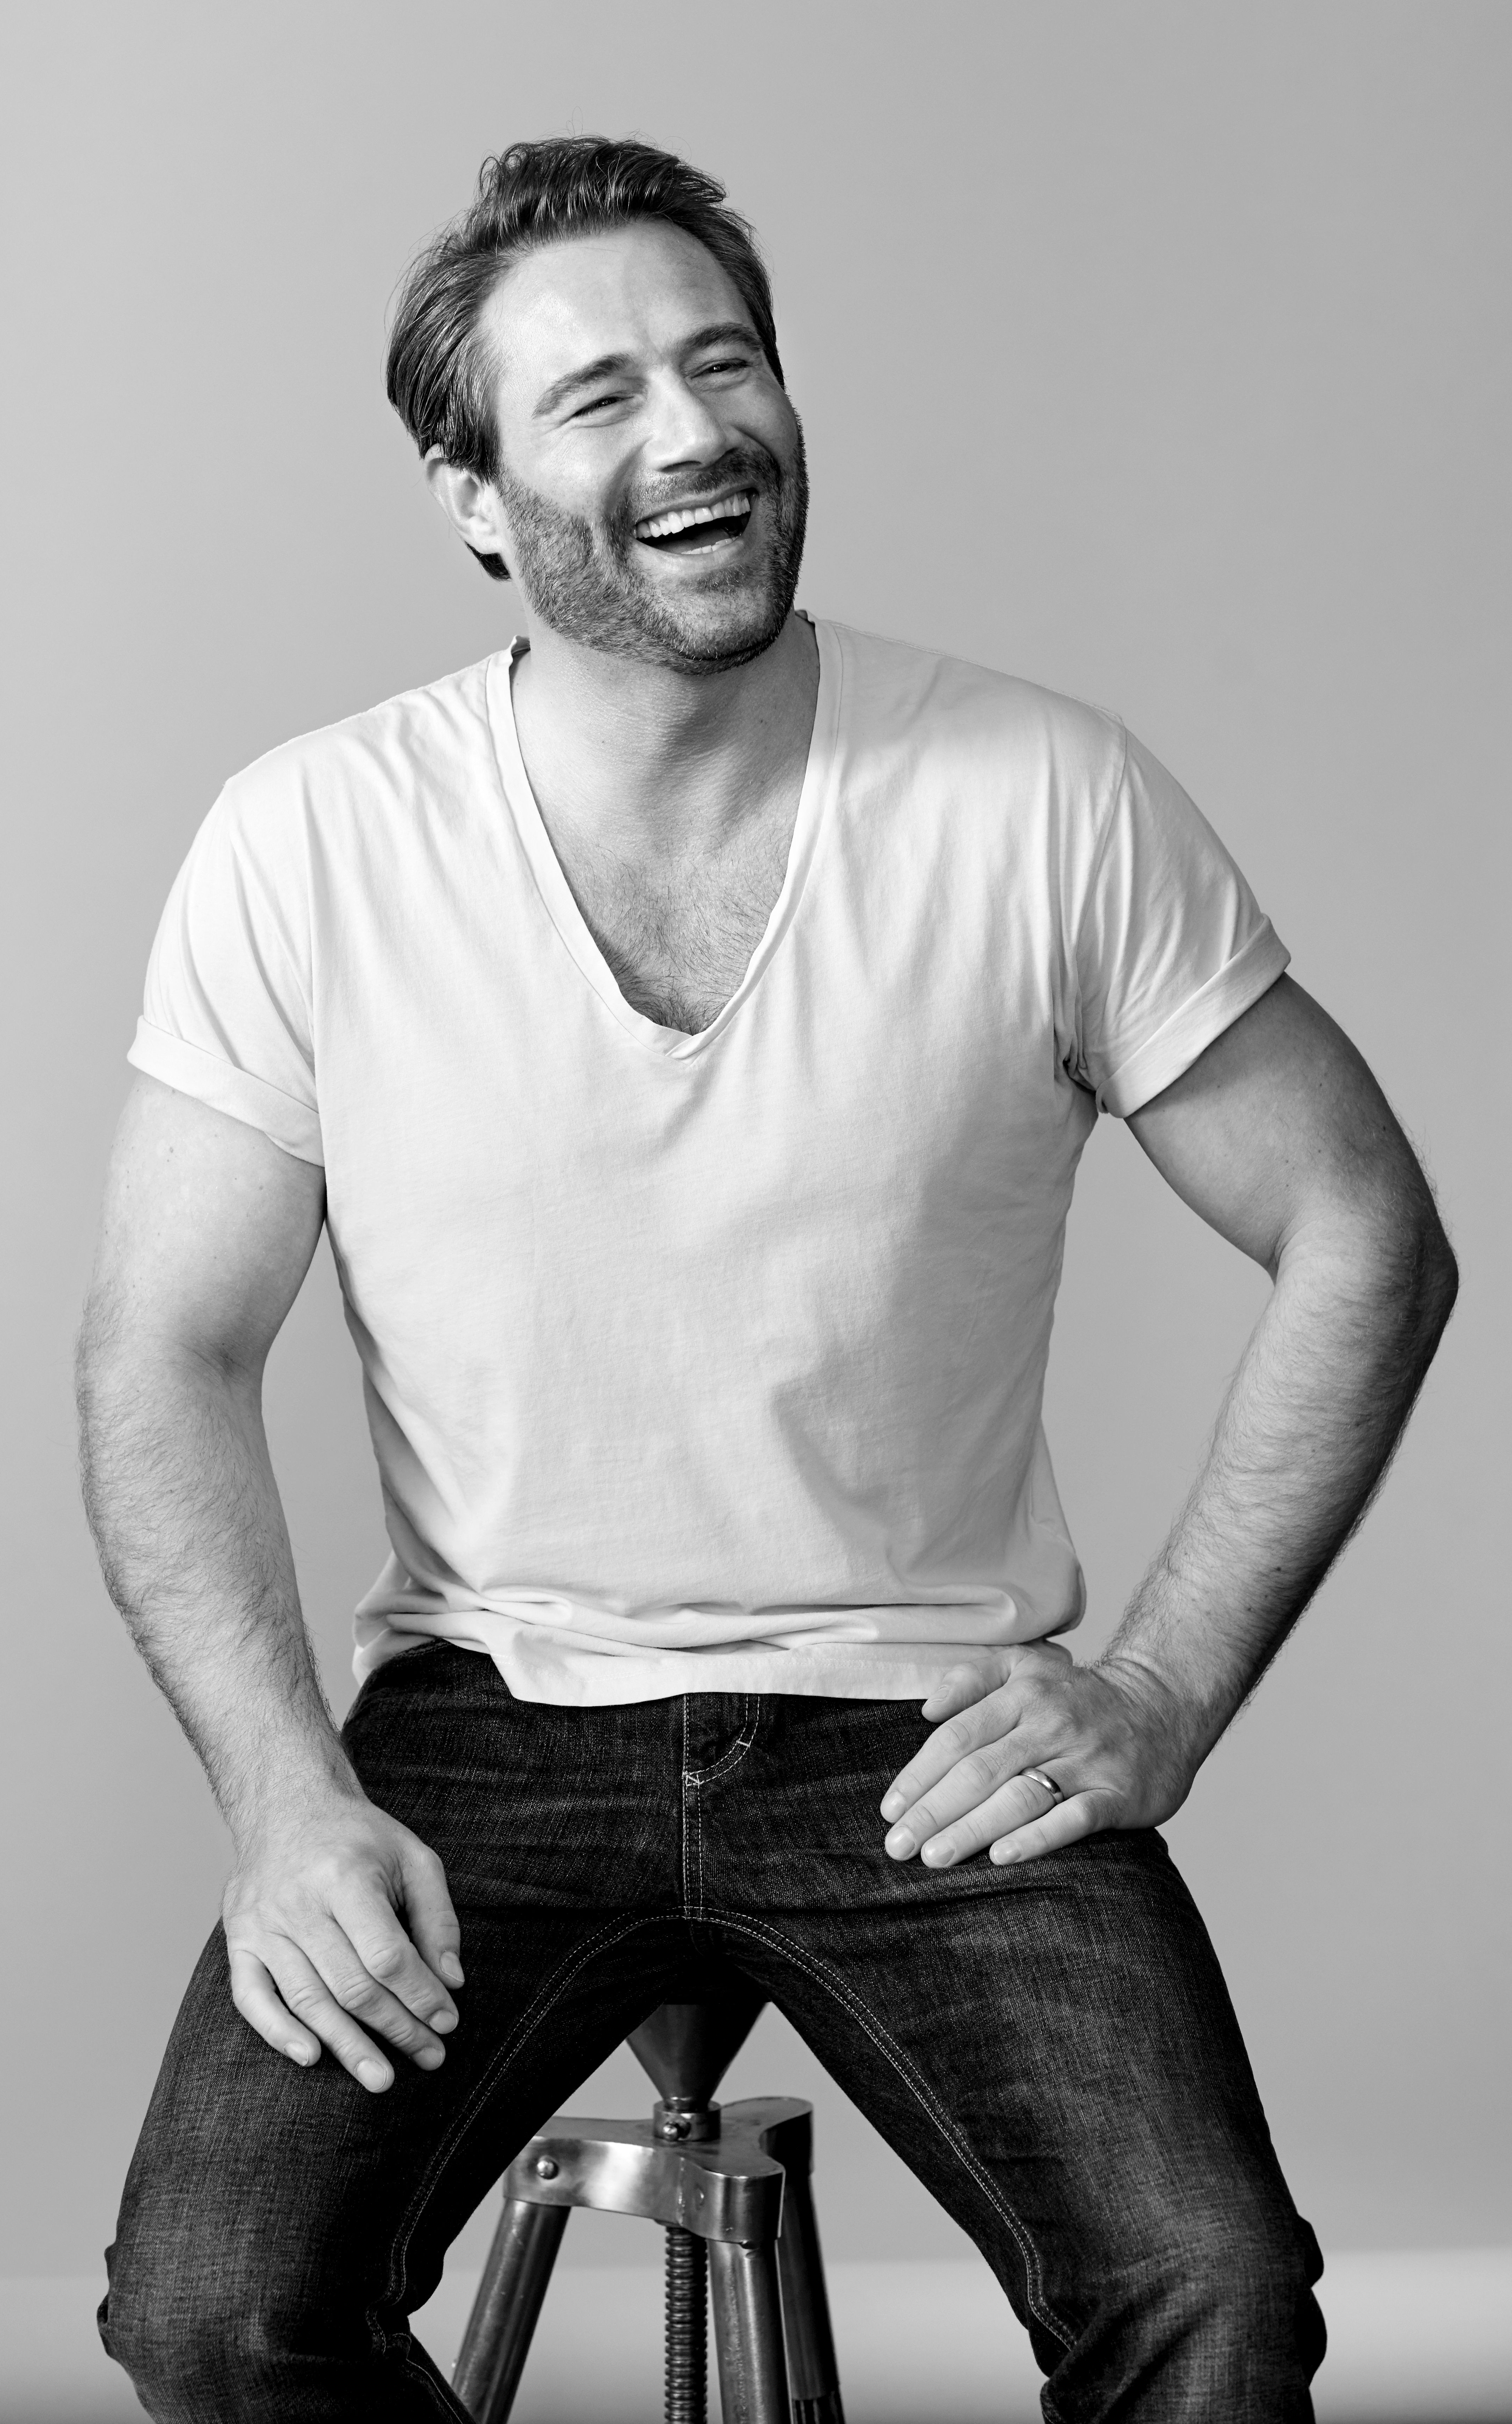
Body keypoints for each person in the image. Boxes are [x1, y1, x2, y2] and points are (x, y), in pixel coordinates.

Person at [78, 137, 1456, 2423]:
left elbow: (1365, 1227)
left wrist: (1168, 1686)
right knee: (215, 2306)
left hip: (926, 1732)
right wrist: (283, 1800)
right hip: (490, 1718)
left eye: (726, 364)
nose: (697, 431)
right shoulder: (313, 838)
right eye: (601, 395)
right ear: (474, 498)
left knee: (1210, 2296)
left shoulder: (1039, 794)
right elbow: (166, 1351)